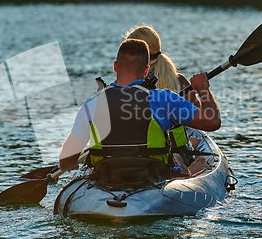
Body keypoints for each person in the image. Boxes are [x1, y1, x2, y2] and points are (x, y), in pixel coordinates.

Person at [59, 39, 220, 176]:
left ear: (115, 66)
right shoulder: (164, 99)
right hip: (153, 176)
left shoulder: (91, 106)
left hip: (107, 177)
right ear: (145, 71)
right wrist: (203, 89)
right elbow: (212, 121)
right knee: (177, 156)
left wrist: (70, 164)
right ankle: (188, 171)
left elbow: (66, 160)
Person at [124, 24, 204, 173]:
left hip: (134, 154)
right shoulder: (179, 81)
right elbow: (201, 119)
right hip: (174, 150)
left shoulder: (124, 85)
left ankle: (184, 165)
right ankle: (186, 167)